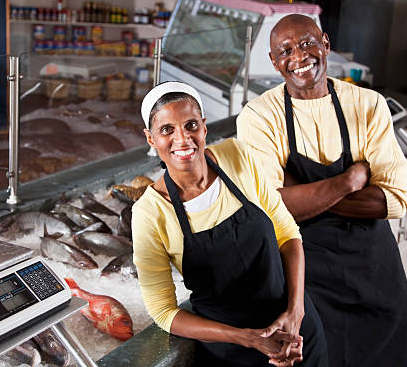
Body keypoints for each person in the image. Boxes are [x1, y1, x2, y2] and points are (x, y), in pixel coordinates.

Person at [236, 14, 407, 367]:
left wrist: (300, 193)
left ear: (325, 44)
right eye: (285, 50)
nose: (298, 57)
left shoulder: (368, 104)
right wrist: (346, 182)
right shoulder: (259, 116)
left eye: (306, 43)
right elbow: (270, 210)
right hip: (309, 273)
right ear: (274, 61)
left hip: (374, 268)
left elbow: (394, 199)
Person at [132, 81, 328, 366]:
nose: (183, 139)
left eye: (190, 125)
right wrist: (247, 338)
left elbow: (287, 234)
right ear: (151, 139)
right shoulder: (150, 213)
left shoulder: (237, 156)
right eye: (167, 130)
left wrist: (296, 312)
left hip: (298, 334)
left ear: (204, 126)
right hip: (233, 354)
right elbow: (164, 312)